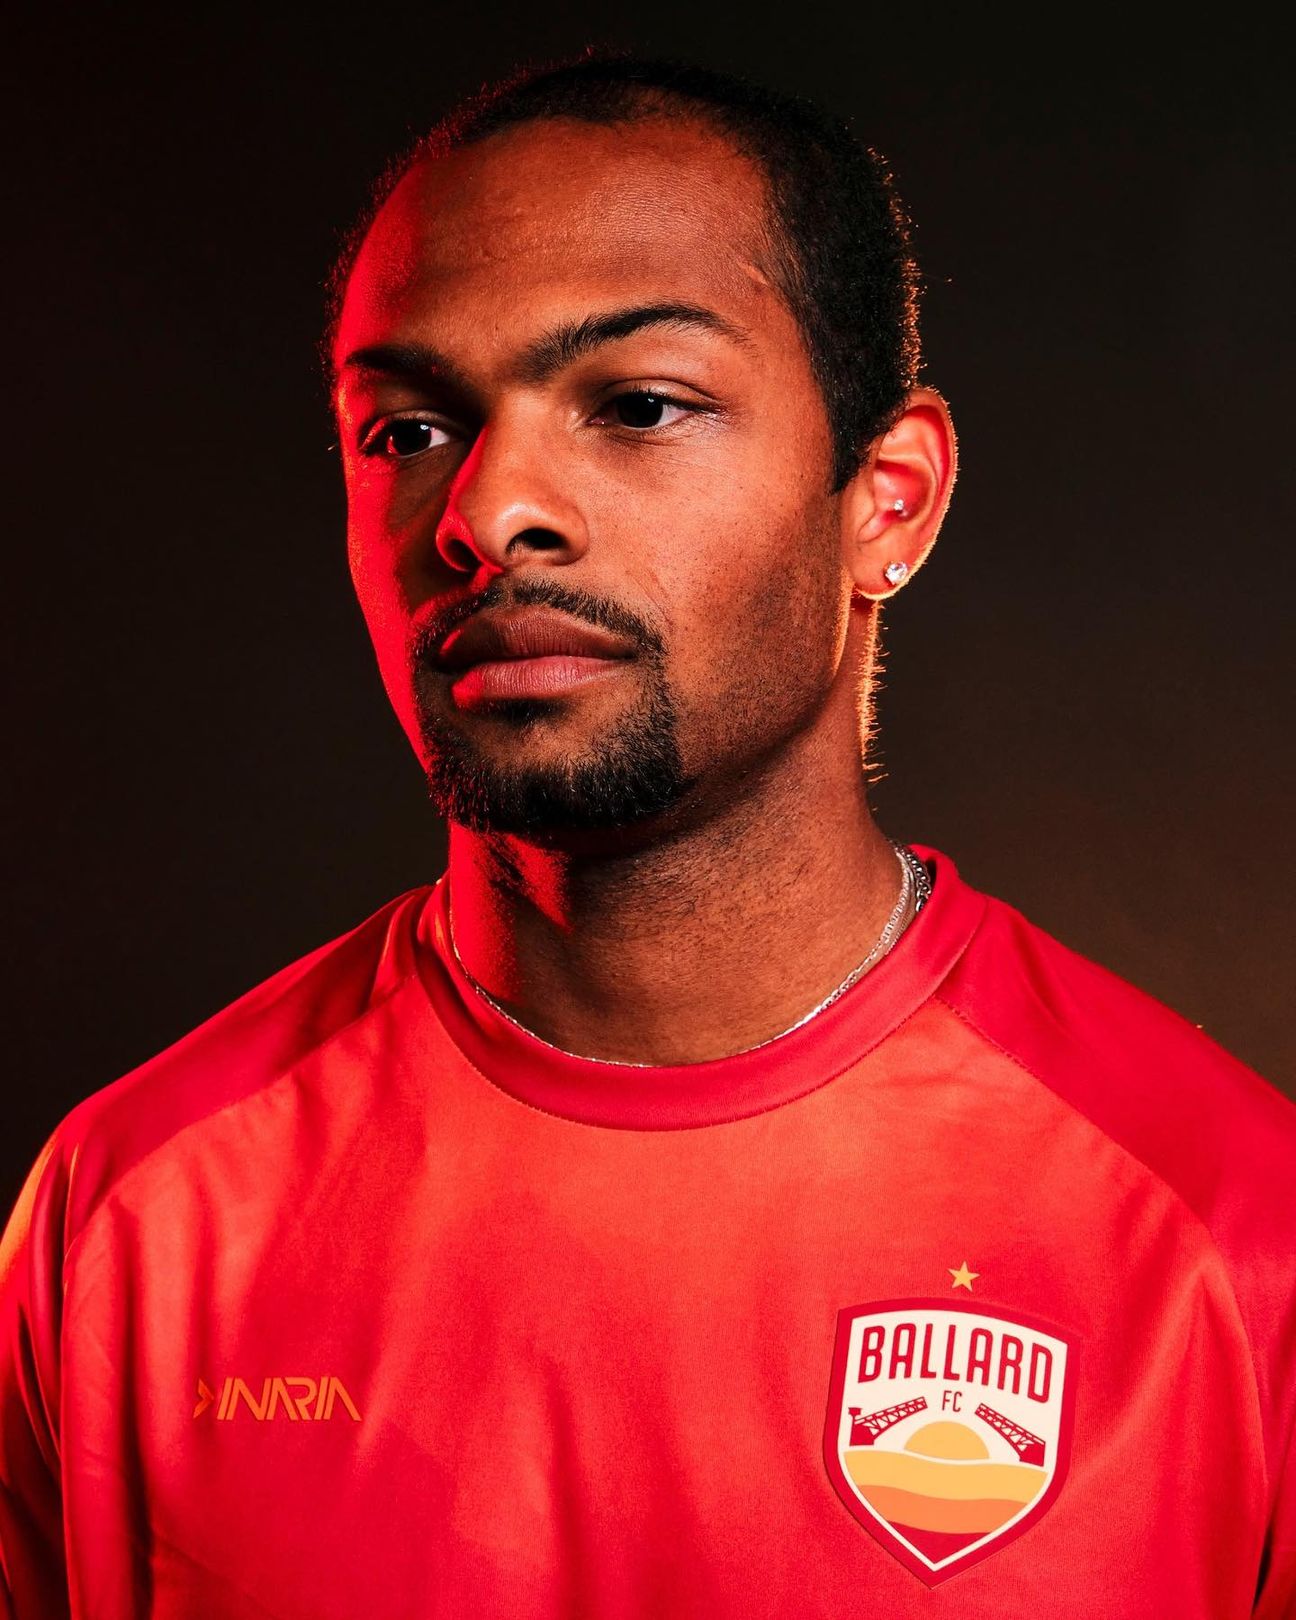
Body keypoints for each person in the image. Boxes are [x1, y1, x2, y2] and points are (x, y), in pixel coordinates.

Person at [1, 49, 1292, 1619]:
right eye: (407, 431)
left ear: (886, 500)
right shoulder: (129, 1219)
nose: (489, 511)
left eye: (637, 405)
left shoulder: (1233, 1237)